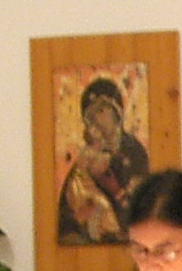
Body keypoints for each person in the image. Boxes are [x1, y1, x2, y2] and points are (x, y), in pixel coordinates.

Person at [54, 75, 148, 246]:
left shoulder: (134, 152)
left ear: (116, 112)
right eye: (92, 116)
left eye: (101, 111)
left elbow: (144, 205)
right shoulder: (86, 159)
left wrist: (113, 187)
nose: (97, 119)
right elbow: (67, 215)